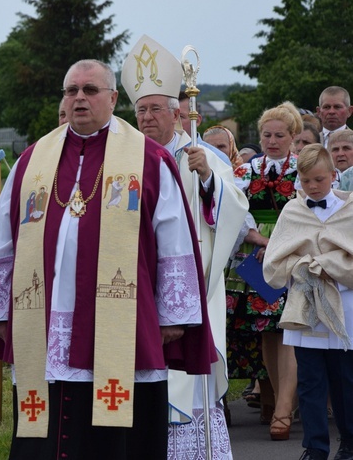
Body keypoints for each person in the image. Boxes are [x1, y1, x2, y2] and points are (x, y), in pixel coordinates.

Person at [0, 57, 214, 460]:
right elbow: (0, 243)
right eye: (71, 91)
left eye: (90, 90)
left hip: (122, 323)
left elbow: (175, 239)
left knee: (116, 439)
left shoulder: (146, 158)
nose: (79, 99)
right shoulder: (32, 161)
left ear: (112, 98)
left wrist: (173, 316)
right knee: (44, 432)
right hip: (44, 319)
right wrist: (1, 311)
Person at [121, 35, 248, 459]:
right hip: (136, 284)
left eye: (156, 108)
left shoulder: (202, 154)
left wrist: (209, 179)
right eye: (140, 109)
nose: (147, 117)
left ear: (178, 112)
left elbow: (237, 212)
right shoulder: (126, 159)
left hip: (189, 285)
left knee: (185, 380)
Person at [263, 144, 353, 460]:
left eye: (319, 179)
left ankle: (349, 443)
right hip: (306, 306)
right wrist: (303, 266)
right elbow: (273, 263)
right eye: (306, 181)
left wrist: (331, 264)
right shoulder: (293, 211)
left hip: (345, 308)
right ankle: (315, 447)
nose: (313, 187)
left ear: (333, 176)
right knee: (310, 380)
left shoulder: (349, 210)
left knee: (345, 381)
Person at [229, 101, 303, 441]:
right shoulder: (247, 169)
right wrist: (259, 240)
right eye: (266, 134)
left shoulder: (301, 168)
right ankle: (276, 402)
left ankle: (285, 408)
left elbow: (308, 209)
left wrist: (278, 244)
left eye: (279, 135)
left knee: (288, 329)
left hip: (290, 252)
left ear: (293, 136)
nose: (271, 141)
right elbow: (234, 208)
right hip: (257, 255)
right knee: (268, 332)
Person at [178, 91, 231, 165]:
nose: (174, 122)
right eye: (170, 116)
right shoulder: (160, 153)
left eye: (180, 117)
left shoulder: (218, 158)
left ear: (197, 121)